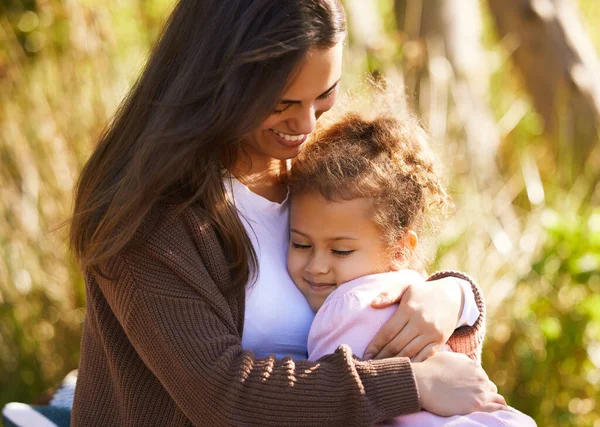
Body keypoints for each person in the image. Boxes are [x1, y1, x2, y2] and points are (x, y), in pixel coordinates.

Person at [69, 1, 503, 425]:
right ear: (217, 81)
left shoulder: (318, 169)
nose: (307, 125)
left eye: (324, 94)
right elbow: (222, 395)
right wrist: (405, 384)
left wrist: (454, 297)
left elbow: (384, 276)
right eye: (281, 103)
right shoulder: (150, 216)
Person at [286, 107, 537, 426]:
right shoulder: (417, 287)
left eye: (341, 250)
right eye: (301, 244)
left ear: (401, 249)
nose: (317, 266)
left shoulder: (349, 305)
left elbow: (331, 409)